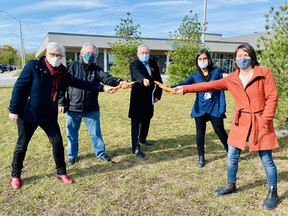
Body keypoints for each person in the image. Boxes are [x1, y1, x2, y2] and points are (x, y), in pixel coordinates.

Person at [174, 44, 279, 210]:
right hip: (241, 121)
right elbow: (208, 85)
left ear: (251, 56)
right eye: (239, 55)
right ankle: (231, 185)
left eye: (245, 55)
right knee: (231, 156)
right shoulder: (231, 78)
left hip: (260, 121)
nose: (242, 58)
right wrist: (186, 88)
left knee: (266, 159)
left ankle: (273, 192)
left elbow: (272, 97)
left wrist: (266, 120)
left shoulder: (264, 73)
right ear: (235, 59)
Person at [8, 42, 114, 189]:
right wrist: (13, 110)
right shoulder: (34, 66)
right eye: (53, 54)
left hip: (48, 115)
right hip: (29, 114)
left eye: (59, 55)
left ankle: (61, 172)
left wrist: (102, 87)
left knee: (57, 143)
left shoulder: (62, 72)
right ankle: (16, 175)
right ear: (46, 54)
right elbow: (19, 87)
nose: (56, 57)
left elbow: (79, 83)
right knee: (22, 145)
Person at [58, 42, 125, 165]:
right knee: (71, 134)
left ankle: (100, 153)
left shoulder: (97, 69)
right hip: (73, 108)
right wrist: (61, 102)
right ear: (82, 53)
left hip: (91, 108)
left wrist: (119, 82)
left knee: (96, 134)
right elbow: (62, 86)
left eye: (92, 53)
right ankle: (72, 155)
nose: (90, 55)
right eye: (87, 53)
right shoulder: (71, 66)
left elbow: (107, 78)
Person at [171, 49, 228, 167]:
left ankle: (230, 152)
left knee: (220, 131)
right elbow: (185, 83)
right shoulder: (195, 75)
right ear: (197, 61)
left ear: (209, 59)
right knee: (200, 133)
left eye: (205, 58)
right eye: (200, 59)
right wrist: (171, 87)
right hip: (200, 108)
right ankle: (201, 156)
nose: (202, 61)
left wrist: (222, 107)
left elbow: (222, 89)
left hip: (214, 107)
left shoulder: (217, 72)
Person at [128, 44, 163, 158]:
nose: (144, 55)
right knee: (136, 122)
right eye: (142, 53)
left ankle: (143, 139)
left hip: (150, 96)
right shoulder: (135, 64)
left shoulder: (153, 63)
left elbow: (158, 79)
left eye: (146, 53)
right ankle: (135, 147)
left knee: (147, 117)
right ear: (138, 54)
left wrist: (158, 94)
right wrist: (143, 80)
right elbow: (136, 73)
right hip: (138, 98)